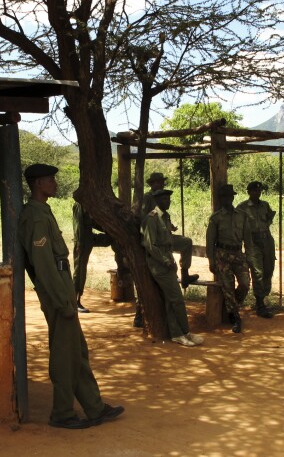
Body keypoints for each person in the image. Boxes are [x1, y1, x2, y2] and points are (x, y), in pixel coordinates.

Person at [18, 163, 124, 430]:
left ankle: (94, 406)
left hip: (62, 284)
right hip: (56, 289)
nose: (54, 183)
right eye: (50, 180)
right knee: (65, 355)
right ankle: (62, 413)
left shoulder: (43, 211)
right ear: (38, 184)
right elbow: (42, 264)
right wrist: (62, 300)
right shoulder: (35, 217)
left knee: (77, 350)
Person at [142, 188, 205, 347]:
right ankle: (183, 332)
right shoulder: (152, 219)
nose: (168, 202)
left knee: (172, 300)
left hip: (168, 263)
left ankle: (180, 333)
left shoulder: (165, 217)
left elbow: (167, 239)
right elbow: (150, 245)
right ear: (157, 201)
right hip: (159, 265)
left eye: (169, 199)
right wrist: (165, 260)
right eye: (165, 199)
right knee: (177, 299)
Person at [205, 184, 256, 333]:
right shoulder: (216, 218)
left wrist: (250, 258)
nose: (227, 199)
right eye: (224, 197)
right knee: (227, 286)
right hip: (222, 256)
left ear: (233, 197)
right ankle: (235, 317)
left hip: (238, 255)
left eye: (229, 196)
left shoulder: (242, 216)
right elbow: (210, 242)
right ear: (221, 199)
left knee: (245, 284)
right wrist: (212, 261)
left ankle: (233, 306)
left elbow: (248, 240)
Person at [140, 171, 198, 289]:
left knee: (186, 242)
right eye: (159, 182)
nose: (161, 185)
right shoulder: (148, 197)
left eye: (162, 182)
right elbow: (144, 216)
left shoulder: (162, 196)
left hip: (165, 233)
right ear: (152, 184)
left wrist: (170, 226)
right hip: (155, 236)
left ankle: (185, 274)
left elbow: (163, 215)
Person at [72, 201, 126, 313]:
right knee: (79, 272)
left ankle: (123, 270)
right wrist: (80, 245)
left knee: (111, 239)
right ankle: (74, 301)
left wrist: (109, 229)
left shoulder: (87, 204)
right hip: (82, 242)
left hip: (89, 239)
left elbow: (92, 222)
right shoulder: (79, 204)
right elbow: (78, 226)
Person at [237, 181, 276, 319]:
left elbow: (270, 217)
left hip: (267, 240)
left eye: (259, 191)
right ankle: (259, 304)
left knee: (268, 269)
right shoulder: (242, 207)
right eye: (254, 191)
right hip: (253, 242)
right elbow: (237, 225)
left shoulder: (265, 205)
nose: (257, 193)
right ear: (248, 192)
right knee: (257, 271)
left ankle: (263, 298)